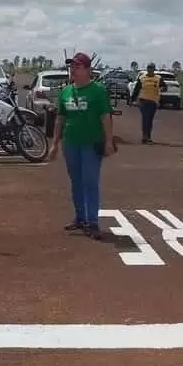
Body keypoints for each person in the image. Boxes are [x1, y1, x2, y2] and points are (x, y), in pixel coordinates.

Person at [47, 52, 115, 240]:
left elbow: (105, 117)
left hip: (91, 143)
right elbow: (60, 119)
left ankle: (92, 221)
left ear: (88, 70)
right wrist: (54, 144)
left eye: (77, 67)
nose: (73, 70)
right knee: (76, 182)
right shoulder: (66, 91)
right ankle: (80, 217)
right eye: (71, 67)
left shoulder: (98, 91)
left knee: (90, 182)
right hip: (71, 143)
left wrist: (109, 141)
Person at [130, 62, 167, 144]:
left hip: (153, 101)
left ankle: (148, 136)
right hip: (143, 101)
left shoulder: (158, 78)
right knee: (145, 118)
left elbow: (164, 86)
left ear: (154, 69)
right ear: (147, 69)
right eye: (149, 68)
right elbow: (136, 89)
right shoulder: (142, 78)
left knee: (150, 119)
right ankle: (145, 137)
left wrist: (163, 88)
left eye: (152, 68)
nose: (150, 69)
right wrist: (132, 99)